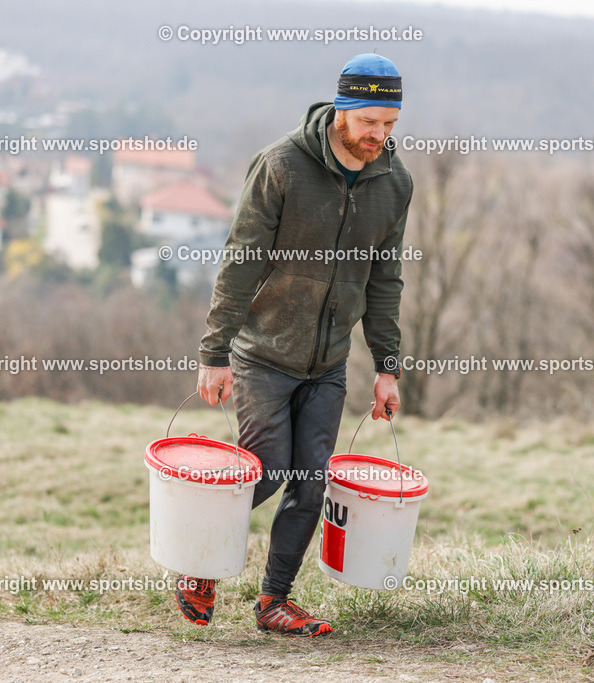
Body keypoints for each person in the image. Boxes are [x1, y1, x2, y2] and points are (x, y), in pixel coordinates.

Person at [175, 53, 412, 638]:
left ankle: (274, 602)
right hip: (263, 355)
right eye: (369, 123)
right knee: (268, 469)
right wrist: (214, 351)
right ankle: (195, 564)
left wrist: (387, 368)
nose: (379, 136)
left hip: (328, 362)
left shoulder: (394, 183)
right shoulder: (281, 165)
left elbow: (385, 279)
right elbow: (241, 260)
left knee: (311, 485)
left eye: (390, 124)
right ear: (343, 112)